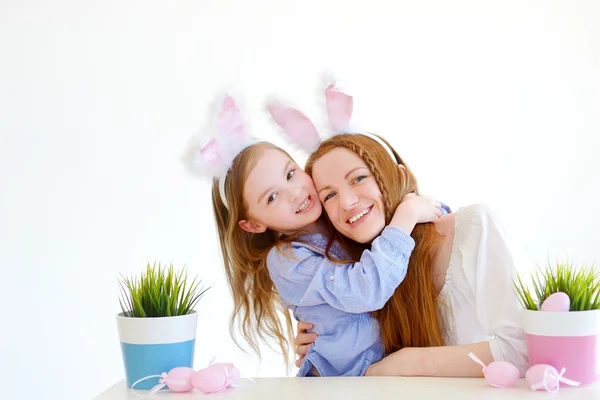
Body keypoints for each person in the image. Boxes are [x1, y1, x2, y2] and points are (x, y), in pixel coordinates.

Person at [183, 92, 447, 377]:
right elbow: (365, 290)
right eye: (272, 197)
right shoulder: (286, 259)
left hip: (382, 370)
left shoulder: (339, 215)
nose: (295, 193)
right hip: (343, 380)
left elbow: (428, 227)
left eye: (290, 174)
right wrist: (406, 216)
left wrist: (415, 208)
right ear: (254, 225)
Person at [294, 132, 529, 377]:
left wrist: (407, 363)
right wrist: (327, 342)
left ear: (400, 175)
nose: (347, 202)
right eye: (329, 195)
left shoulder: (473, 227)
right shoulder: (359, 281)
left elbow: (521, 351)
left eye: (358, 178)